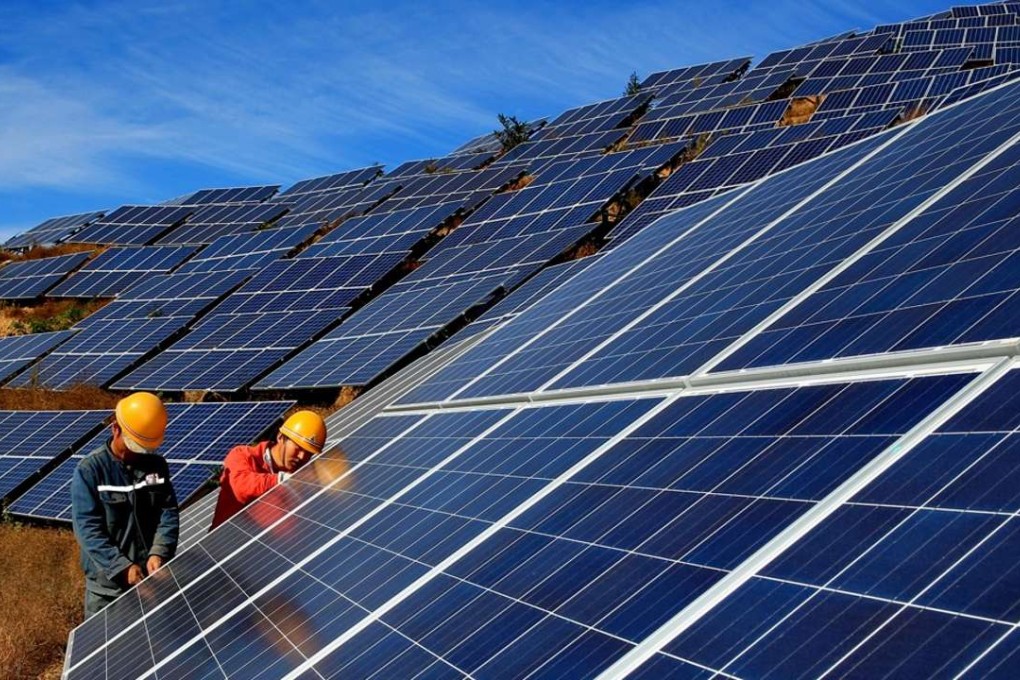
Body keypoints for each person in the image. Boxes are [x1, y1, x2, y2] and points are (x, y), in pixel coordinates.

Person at [71, 392, 179, 618]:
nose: (137, 454)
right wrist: (121, 567)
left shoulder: (156, 466)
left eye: (144, 448)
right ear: (115, 429)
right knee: (106, 652)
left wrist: (159, 552)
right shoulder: (90, 470)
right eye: (133, 445)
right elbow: (87, 529)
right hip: (108, 593)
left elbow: (167, 513)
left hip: (150, 585)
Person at [210, 410, 326, 530]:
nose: (302, 457)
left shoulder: (301, 479)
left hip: (268, 546)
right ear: (281, 437)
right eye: (298, 448)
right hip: (225, 542)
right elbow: (240, 485)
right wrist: (282, 480)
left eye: (309, 453)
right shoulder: (242, 455)